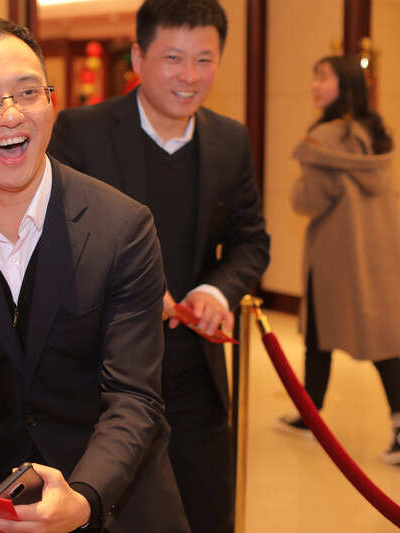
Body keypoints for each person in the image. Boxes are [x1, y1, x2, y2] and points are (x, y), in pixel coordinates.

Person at [0, 15, 189, 533]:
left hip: (115, 494)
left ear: (50, 101)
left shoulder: (122, 227)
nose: (11, 115)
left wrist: (85, 498)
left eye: (28, 92)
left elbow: (134, 396)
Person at [47, 1, 270, 531]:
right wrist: (137, 290)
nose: (190, 76)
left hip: (193, 370)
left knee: (205, 509)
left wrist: (216, 292)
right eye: (173, 57)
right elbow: (54, 239)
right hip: (102, 374)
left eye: (204, 59)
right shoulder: (81, 132)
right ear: (138, 58)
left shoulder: (230, 140)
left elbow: (251, 241)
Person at [277, 55, 400, 464]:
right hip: (375, 253)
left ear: (344, 85)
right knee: (381, 340)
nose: (314, 85)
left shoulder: (324, 138)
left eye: (323, 77)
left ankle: (311, 415)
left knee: (317, 333)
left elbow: (309, 200)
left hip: (335, 258)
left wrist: (295, 189)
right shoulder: (373, 133)